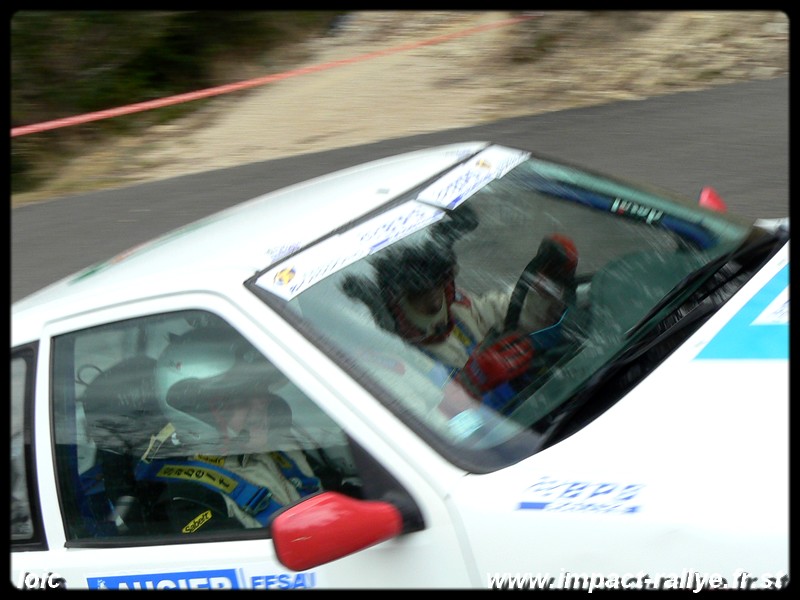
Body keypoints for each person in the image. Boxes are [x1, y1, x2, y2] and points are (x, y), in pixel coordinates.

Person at [344, 213, 578, 413]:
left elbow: (510, 312)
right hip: (489, 447)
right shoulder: (386, 364)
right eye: (419, 296)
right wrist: (467, 388)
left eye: (439, 286)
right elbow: (427, 436)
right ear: (392, 304)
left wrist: (546, 287)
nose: (436, 302)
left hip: (526, 410)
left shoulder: (458, 307)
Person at [136, 326, 322, 532]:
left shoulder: (281, 446)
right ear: (198, 414)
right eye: (241, 398)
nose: (262, 403)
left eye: (260, 389)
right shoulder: (191, 499)